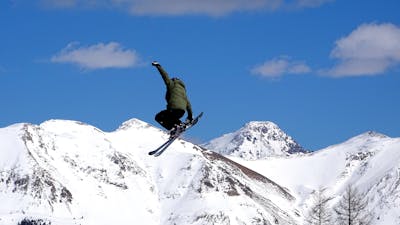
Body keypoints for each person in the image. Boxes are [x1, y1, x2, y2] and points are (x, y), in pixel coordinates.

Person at [152, 61, 193, 133]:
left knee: (159, 117)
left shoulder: (172, 84)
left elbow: (165, 76)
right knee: (170, 118)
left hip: (173, 109)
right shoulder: (183, 92)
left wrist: (158, 66)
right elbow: (188, 105)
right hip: (181, 112)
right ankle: (178, 125)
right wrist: (190, 117)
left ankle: (174, 128)